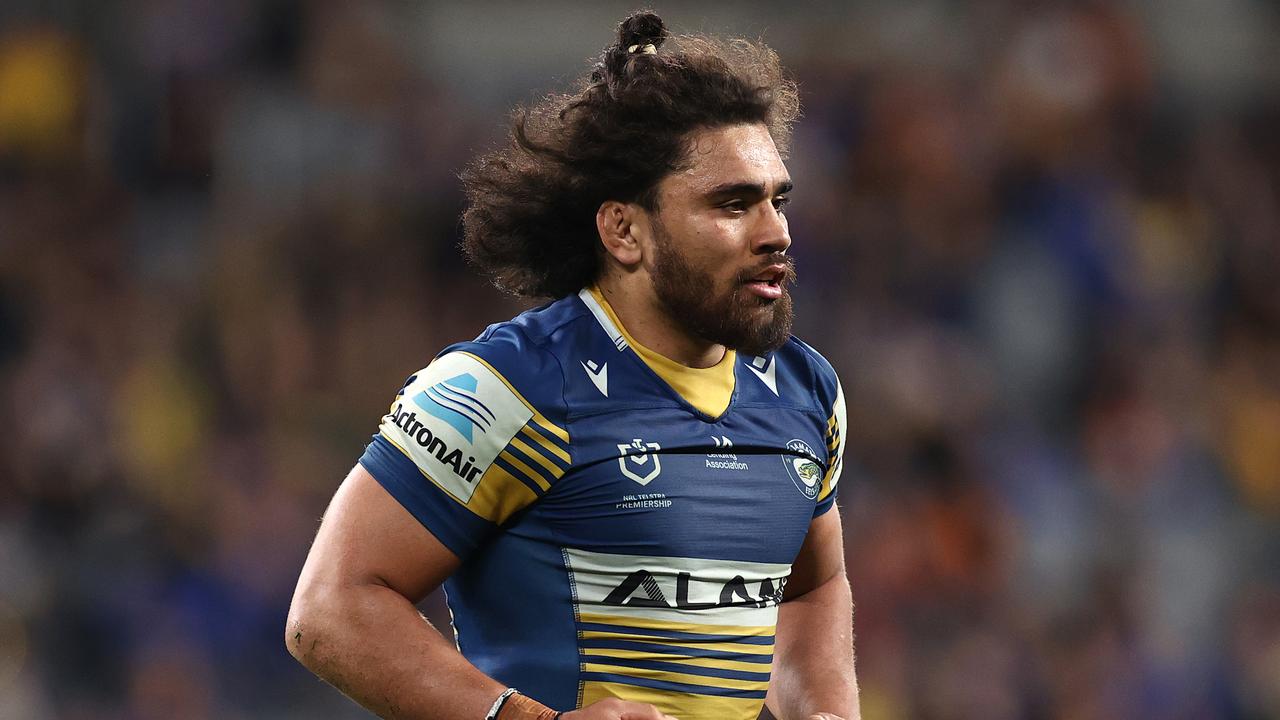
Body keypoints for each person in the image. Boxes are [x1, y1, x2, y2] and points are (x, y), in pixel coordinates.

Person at [286, 11, 860, 720]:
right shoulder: (505, 389)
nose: (777, 232)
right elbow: (330, 608)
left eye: (778, 199)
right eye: (732, 204)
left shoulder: (803, 391)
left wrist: (825, 711)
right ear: (624, 230)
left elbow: (810, 587)